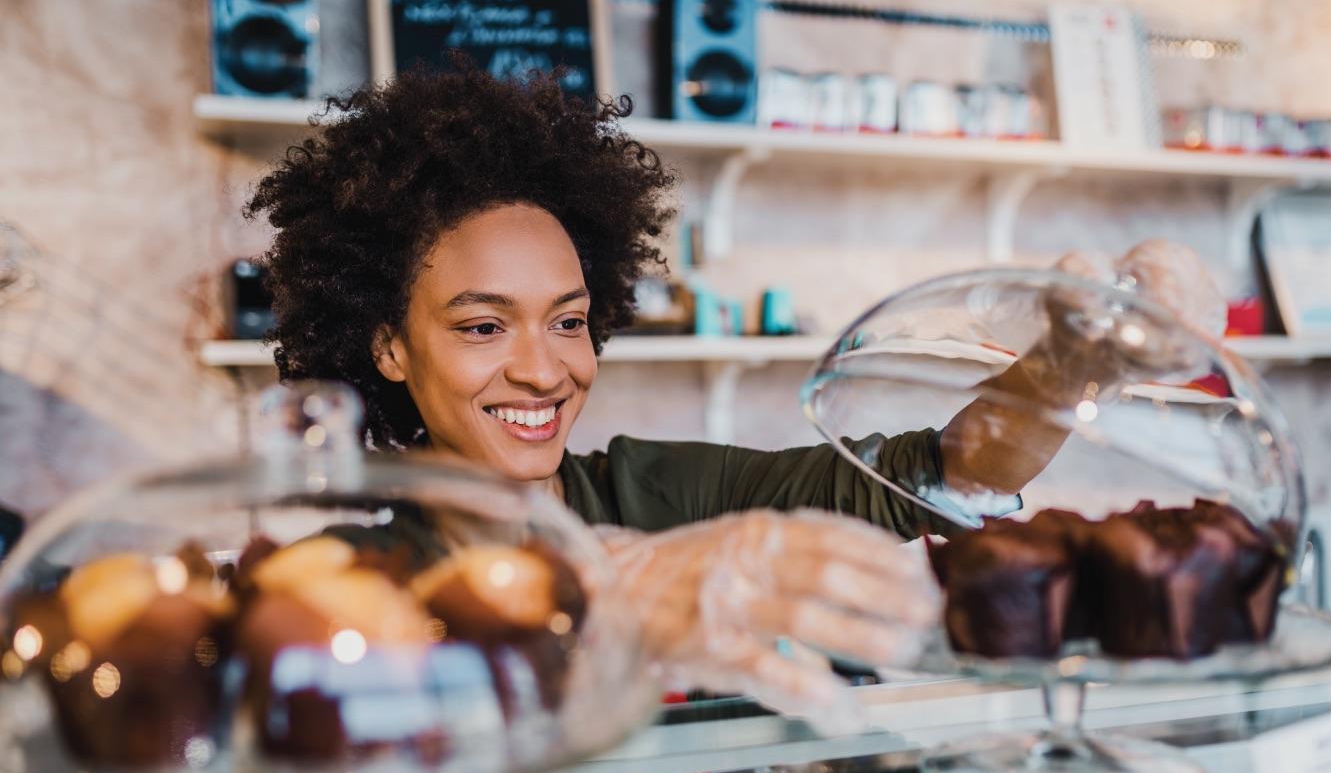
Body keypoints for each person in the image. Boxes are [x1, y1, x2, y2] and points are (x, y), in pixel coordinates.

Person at [244, 61, 1225, 726]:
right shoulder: (330, 563)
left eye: (570, 319)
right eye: (481, 326)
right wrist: (605, 596)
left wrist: (1069, 362)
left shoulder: (655, 495)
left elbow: (929, 478)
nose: (544, 370)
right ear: (386, 345)